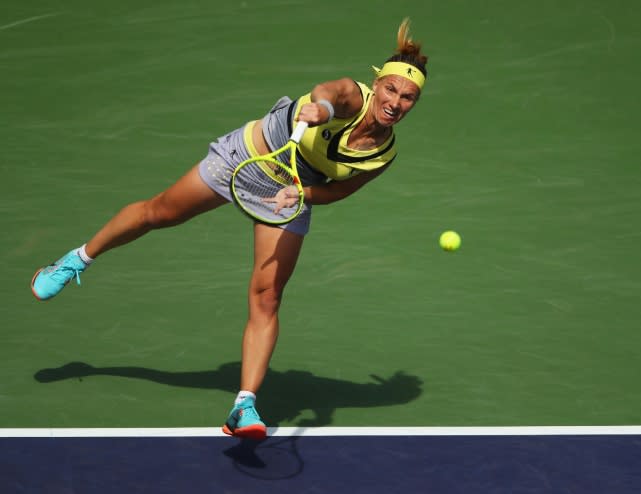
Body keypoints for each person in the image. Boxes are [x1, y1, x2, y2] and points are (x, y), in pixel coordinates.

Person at [30, 18, 428, 439]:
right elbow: (331, 95)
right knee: (158, 213)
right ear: (378, 84)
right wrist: (322, 109)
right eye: (391, 90)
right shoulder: (350, 93)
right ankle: (76, 260)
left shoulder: (384, 153)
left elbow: (342, 189)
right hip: (244, 158)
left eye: (408, 98)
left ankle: (244, 405)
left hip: (289, 193)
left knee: (268, 297)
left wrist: (302, 196)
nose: (395, 102)